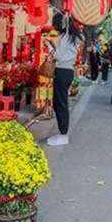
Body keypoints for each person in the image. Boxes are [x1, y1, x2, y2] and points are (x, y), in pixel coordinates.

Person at [48, 13, 82, 146]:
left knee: (60, 103)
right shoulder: (72, 37)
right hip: (66, 71)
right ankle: (62, 132)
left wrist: (50, 46)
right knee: (59, 102)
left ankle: (63, 134)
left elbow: (59, 56)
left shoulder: (66, 37)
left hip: (62, 70)